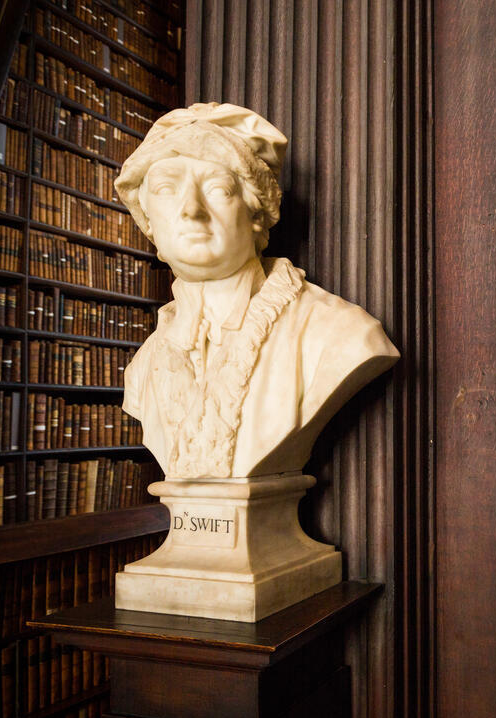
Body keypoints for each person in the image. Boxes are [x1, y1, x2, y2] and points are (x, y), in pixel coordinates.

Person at [114, 102, 398, 480]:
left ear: (256, 215)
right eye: (167, 188)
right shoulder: (144, 367)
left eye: (217, 188)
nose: (191, 210)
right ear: (148, 222)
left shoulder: (340, 334)